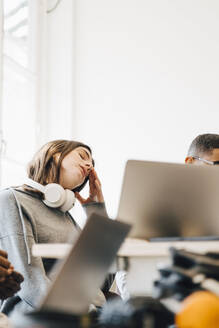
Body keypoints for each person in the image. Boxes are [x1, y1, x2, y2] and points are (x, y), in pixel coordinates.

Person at [0, 139, 107, 317]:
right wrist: (87, 315)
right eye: (82, 156)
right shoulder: (12, 200)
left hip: (92, 312)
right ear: (55, 154)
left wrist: (96, 211)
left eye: (91, 165)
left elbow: (101, 280)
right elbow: (30, 283)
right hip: (43, 315)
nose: (89, 165)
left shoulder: (66, 216)